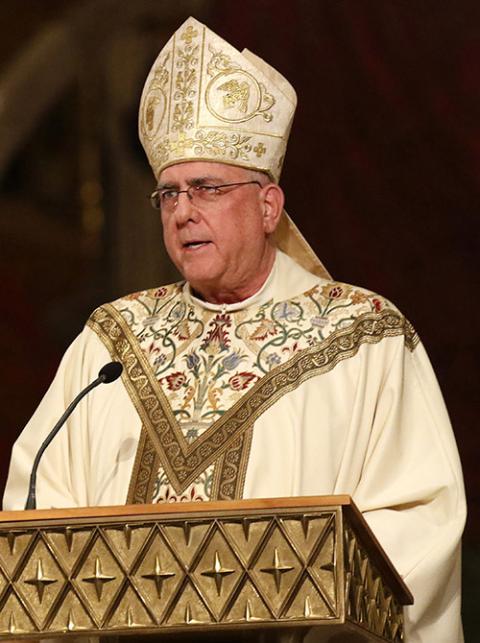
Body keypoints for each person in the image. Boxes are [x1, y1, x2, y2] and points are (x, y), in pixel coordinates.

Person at [3, 16, 465, 642]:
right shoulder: (110, 343)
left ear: (268, 206)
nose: (183, 212)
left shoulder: (366, 340)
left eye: (206, 188)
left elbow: (420, 520)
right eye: (167, 195)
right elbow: (38, 509)